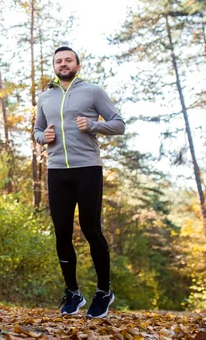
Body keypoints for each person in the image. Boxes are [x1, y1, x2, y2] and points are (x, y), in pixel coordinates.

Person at [34, 46, 125, 318]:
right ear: (54, 66)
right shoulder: (45, 97)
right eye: (59, 61)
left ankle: (103, 291)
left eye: (68, 60)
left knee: (90, 229)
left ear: (77, 65)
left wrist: (93, 125)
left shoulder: (93, 91)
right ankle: (73, 292)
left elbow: (119, 124)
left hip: (87, 169)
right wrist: (42, 138)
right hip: (57, 170)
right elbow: (38, 130)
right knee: (61, 232)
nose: (63, 64)